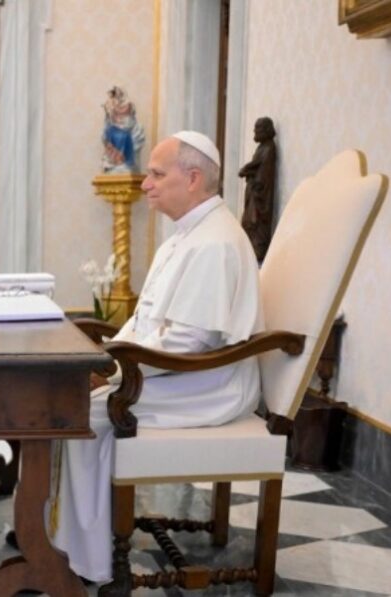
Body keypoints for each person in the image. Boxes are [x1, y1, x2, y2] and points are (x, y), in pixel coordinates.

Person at [47, 131, 263, 584]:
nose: (145, 183)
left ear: (193, 178)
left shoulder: (214, 242)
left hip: (210, 385)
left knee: (82, 413)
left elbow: (189, 341)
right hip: (176, 376)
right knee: (72, 399)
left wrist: (112, 373)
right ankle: (56, 536)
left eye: (157, 174)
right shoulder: (185, 236)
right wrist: (104, 363)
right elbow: (144, 323)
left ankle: (81, 561)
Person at [238, 116, 278, 262]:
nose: (255, 131)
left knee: (256, 224)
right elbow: (256, 164)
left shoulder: (269, 148)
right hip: (254, 194)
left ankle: (258, 251)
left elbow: (262, 172)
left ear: (266, 130)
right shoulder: (262, 147)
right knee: (249, 223)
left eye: (258, 129)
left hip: (259, 195)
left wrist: (247, 172)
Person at [101, 86, 146, 174]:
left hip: (129, 165)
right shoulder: (109, 129)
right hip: (113, 166)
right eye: (117, 114)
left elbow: (135, 146)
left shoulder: (137, 129)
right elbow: (107, 142)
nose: (120, 117)